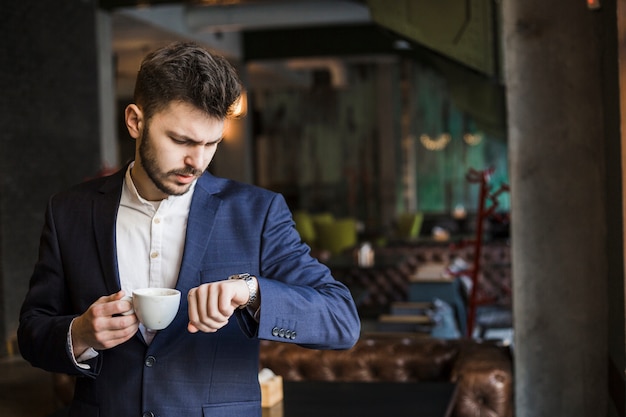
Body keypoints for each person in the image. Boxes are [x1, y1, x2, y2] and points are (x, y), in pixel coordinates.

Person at [18, 41, 360, 417]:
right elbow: (32, 332)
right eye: (181, 140)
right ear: (135, 121)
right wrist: (79, 334)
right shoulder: (70, 211)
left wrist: (251, 292)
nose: (196, 161)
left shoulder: (258, 213)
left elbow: (340, 320)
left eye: (211, 143)